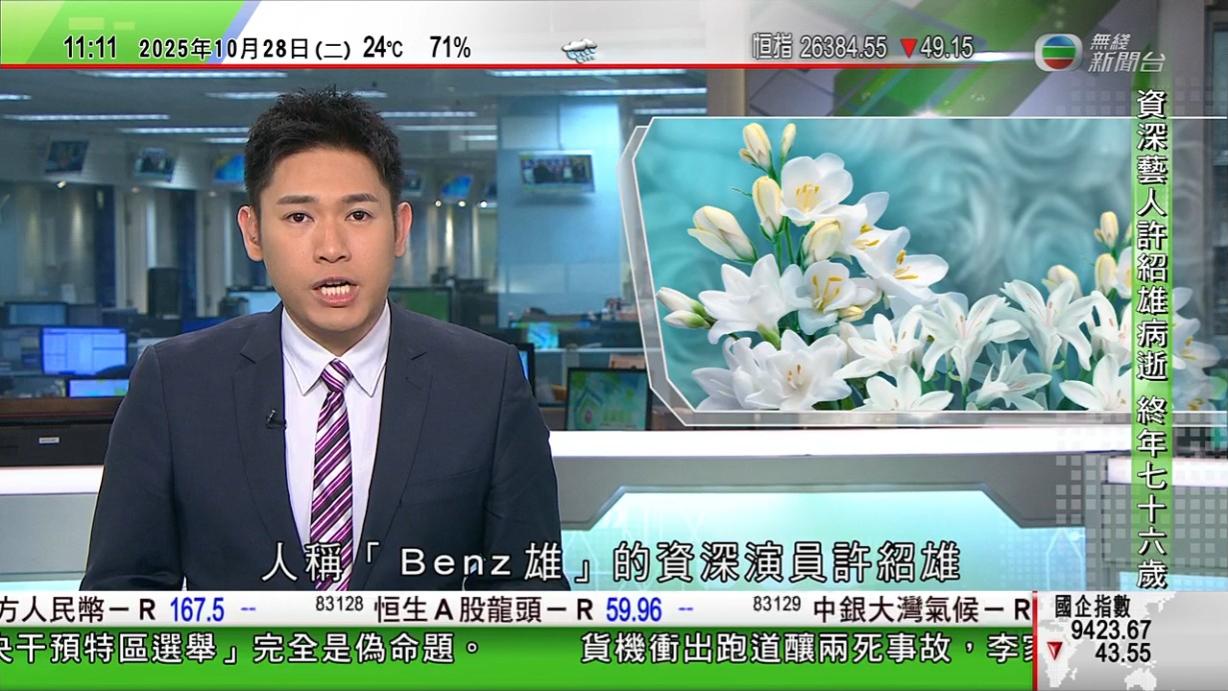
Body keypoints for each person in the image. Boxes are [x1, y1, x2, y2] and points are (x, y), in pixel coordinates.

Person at [81, 89, 566, 590]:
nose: (332, 248)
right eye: (299, 217)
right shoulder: (176, 384)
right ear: (253, 233)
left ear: (400, 228)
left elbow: (530, 591)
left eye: (358, 215)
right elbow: (123, 595)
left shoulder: (485, 381)